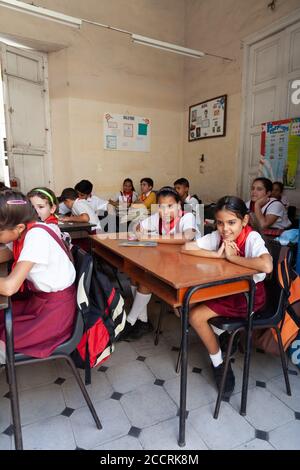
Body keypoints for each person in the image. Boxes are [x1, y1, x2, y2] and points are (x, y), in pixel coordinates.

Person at [182, 196, 272, 397]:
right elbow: (186, 247)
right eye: (220, 223)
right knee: (185, 303)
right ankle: (222, 338)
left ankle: (219, 364)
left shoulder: (252, 238)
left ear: (245, 221)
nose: (225, 229)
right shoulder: (217, 236)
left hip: (248, 297)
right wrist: (218, 255)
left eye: (231, 223)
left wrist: (232, 257)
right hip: (225, 291)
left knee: (195, 316)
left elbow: (266, 265)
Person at [0, 190, 76, 362]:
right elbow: (6, 254)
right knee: (2, 317)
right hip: (40, 301)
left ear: (18, 227)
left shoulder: (36, 236)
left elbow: (10, 286)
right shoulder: (27, 230)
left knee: (5, 332)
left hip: (55, 313)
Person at [121, 186, 197, 341]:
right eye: (161, 207)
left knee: (144, 281)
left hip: (189, 269)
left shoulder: (187, 217)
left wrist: (150, 238)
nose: (165, 211)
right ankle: (141, 321)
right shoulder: (157, 218)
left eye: (170, 206)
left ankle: (131, 321)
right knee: (135, 276)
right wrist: (139, 233)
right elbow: (138, 227)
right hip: (167, 263)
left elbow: (187, 236)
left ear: (179, 206)